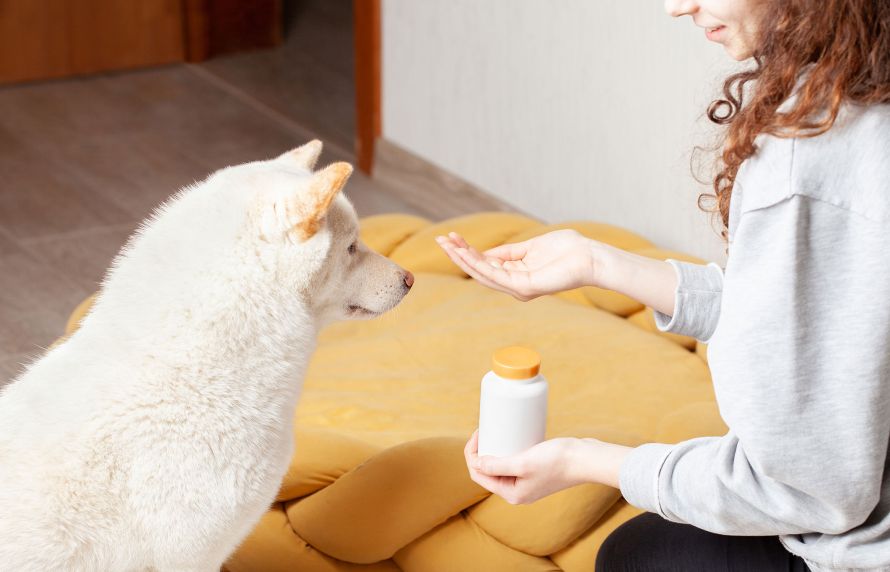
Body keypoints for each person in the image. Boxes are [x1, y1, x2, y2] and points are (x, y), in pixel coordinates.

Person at [435, 1, 890, 570]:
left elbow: (809, 492)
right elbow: (812, 320)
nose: (679, 6)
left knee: (632, 559)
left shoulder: (808, 156)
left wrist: (586, 461)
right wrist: (597, 264)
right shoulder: (862, 86)